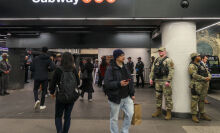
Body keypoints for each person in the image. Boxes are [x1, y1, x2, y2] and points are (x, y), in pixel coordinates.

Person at [104, 49, 135, 133]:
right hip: (115, 97)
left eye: (123, 55)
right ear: (116, 57)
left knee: (130, 114)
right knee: (114, 118)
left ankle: (124, 130)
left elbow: (131, 80)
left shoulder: (125, 67)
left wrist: (132, 93)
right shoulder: (110, 68)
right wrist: (119, 83)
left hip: (127, 96)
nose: (124, 57)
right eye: (121, 55)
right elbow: (107, 84)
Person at [50, 52, 80, 133]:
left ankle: (59, 131)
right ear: (71, 59)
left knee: (58, 116)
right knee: (67, 116)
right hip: (71, 96)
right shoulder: (74, 70)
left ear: (62, 59)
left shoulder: (58, 69)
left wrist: (52, 92)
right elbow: (78, 82)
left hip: (61, 96)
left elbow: (53, 83)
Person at [149, 47, 174, 120]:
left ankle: (168, 113)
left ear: (165, 52)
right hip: (157, 81)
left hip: (165, 81)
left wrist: (168, 81)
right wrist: (151, 78)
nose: (160, 52)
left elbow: (171, 71)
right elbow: (153, 70)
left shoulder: (168, 60)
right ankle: (158, 111)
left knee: (168, 97)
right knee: (158, 97)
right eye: (159, 51)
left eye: (161, 51)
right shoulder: (156, 60)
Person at [188, 53, 212, 123]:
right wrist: (204, 78)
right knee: (194, 100)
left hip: (204, 84)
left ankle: (202, 114)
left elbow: (207, 72)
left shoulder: (202, 64)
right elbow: (194, 75)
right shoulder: (192, 65)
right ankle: (194, 115)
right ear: (194, 58)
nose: (199, 57)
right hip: (196, 84)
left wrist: (209, 77)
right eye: (198, 56)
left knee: (202, 99)